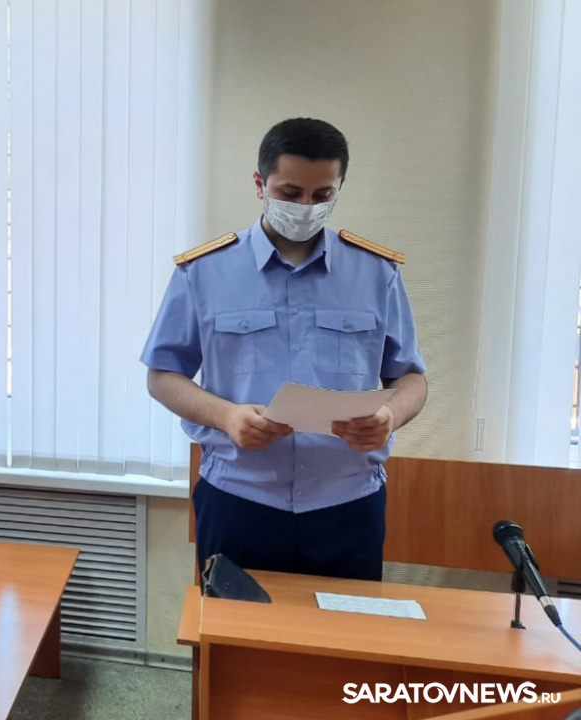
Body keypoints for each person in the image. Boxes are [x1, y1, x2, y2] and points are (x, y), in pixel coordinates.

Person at [140, 118, 427, 581]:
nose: (306, 207)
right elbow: (162, 375)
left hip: (347, 502)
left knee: (344, 626)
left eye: (322, 195)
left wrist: (390, 416)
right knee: (234, 626)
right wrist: (226, 417)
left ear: (339, 188)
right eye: (291, 193)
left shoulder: (377, 272)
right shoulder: (204, 271)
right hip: (240, 498)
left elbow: (410, 377)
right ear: (260, 184)